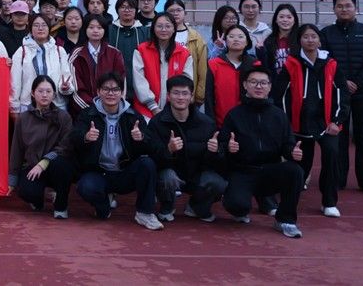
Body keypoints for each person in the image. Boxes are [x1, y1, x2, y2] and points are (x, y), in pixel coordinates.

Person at [217, 66, 306, 238]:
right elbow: (222, 144)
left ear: (270, 87)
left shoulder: (279, 115)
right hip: (243, 171)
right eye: (254, 82)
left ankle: (285, 220)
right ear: (245, 85)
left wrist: (292, 152)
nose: (259, 86)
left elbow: (288, 144)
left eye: (263, 83)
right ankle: (238, 203)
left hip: (269, 170)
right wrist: (228, 147)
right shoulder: (234, 114)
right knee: (238, 206)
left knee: (295, 171)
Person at [72, 71, 162, 230]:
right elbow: (74, 139)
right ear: (98, 91)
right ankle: (103, 207)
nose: (110, 93)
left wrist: (141, 138)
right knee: (86, 186)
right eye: (106, 89)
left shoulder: (133, 115)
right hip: (99, 172)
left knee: (147, 164)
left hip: (124, 172)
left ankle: (145, 213)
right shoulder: (88, 114)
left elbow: (152, 145)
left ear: (122, 92)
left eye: (115, 89)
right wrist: (86, 137)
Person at [274, 24, 348, 217]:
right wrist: (286, 124)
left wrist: (336, 121)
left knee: (331, 155)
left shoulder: (331, 64)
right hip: (300, 124)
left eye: (313, 36)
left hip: (327, 123)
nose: (310, 40)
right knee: (301, 163)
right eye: (306, 36)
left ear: (319, 40)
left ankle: (329, 202)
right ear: (299, 40)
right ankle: (291, 199)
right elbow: (281, 96)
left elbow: (341, 94)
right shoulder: (291, 63)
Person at [320, 0, 363, 195]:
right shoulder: (326, 34)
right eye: (339, 6)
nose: (344, 9)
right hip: (337, 94)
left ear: (356, 8)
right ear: (334, 9)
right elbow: (324, 61)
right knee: (338, 136)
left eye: (348, 6)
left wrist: (357, 82)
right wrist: (342, 82)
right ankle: (338, 179)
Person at [147, 75, 226, 222]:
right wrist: (169, 150)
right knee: (166, 177)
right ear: (168, 96)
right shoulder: (157, 123)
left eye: (185, 93)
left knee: (217, 183)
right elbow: (152, 158)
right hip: (171, 174)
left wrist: (214, 151)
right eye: (176, 93)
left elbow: (214, 163)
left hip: (196, 174)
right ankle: (167, 206)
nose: (180, 97)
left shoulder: (206, 123)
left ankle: (196, 206)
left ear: (191, 96)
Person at [8, 75, 76, 218]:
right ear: (33, 93)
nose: (44, 95)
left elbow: (66, 146)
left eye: (48, 91)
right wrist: (12, 179)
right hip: (32, 166)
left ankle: (61, 206)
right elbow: (17, 149)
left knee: (63, 166)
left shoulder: (64, 117)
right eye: (40, 91)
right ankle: (37, 201)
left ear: (54, 94)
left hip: (55, 165)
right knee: (27, 191)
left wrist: (44, 162)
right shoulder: (24, 118)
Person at [131, 13, 194, 120]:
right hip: (145, 110)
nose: (163, 29)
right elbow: (139, 80)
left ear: (174, 29)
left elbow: (186, 82)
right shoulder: (141, 50)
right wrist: (153, 106)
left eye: (168, 26)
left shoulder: (184, 53)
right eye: (159, 26)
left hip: (174, 111)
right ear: (153, 28)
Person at [10, 14, 73, 115]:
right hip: (28, 107)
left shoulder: (59, 51)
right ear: (30, 29)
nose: (40, 28)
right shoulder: (21, 52)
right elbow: (15, 83)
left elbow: (66, 78)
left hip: (56, 106)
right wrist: (14, 108)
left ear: (49, 28)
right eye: (36, 25)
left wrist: (65, 87)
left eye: (44, 25)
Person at [68, 13, 125, 116]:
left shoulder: (115, 53)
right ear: (85, 29)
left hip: (112, 110)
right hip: (84, 111)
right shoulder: (76, 54)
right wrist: (94, 110)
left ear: (105, 30)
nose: (95, 31)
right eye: (91, 27)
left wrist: (111, 107)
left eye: (99, 28)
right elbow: (76, 90)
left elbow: (121, 83)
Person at [204, 25, 261, 128]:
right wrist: (211, 125)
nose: (236, 39)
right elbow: (209, 97)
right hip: (222, 123)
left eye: (240, 36)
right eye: (231, 36)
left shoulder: (255, 64)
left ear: (247, 42)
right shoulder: (214, 64)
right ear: (225, 41)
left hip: (250, 124)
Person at [165, 0, 208, 106]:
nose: (175, 13)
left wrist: (199, 95)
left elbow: (202, 68)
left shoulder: (196, 37)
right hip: (164, 89)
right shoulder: (161, 35)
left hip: (188, 92)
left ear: (185, 13)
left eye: (178, 10)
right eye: (171, 11)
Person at [108, 0, 150, 100]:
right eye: (123, 7)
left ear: (136, 10)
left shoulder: (145, 32)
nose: (127, 10)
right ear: (117, 10)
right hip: (113, 85)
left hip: (140, 84)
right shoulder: (108, 31)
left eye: (130, 7)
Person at [262, 3, 299, 81]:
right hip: (276, 82)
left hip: (296, 81)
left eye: (289, 17)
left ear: (294, 20)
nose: (285, 20)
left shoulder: (300, 40)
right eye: (281, 17)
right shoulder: (269, 41)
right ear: (276, 20)